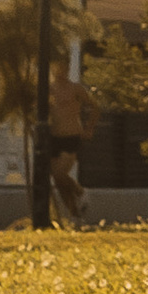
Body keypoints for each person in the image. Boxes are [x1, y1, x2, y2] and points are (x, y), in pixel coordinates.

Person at [47, 54, 94, 229]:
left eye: (63, 67)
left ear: (67, 68)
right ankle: (74, 216)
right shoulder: (49, 89)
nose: (60, 70)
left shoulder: (75, 89)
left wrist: (89, 127)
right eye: (56, 67)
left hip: (71, 136)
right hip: (54, 137)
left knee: (60, 174)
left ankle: (81, 192)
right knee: (58, 182)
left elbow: (93, 107)